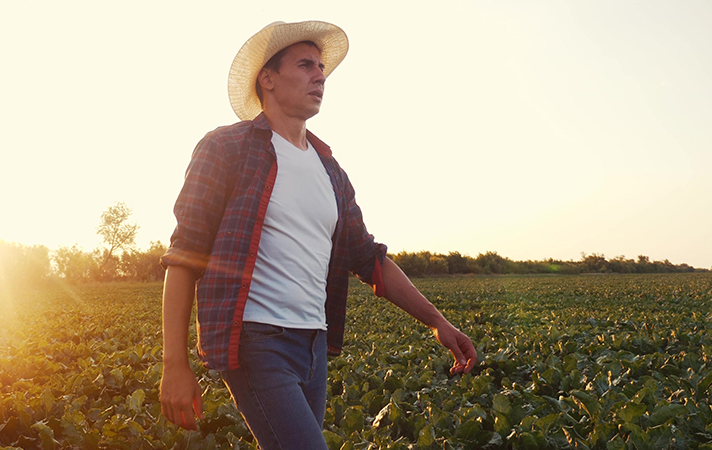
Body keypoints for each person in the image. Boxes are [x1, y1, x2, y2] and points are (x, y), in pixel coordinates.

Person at [159, 20, 477, 449]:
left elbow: (369, 259)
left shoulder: (331, 171)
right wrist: (174, 363)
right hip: (257, 341)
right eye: (306, 65)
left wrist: (438, 322)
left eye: (322, 67)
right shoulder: (227, 148)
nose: (320, 76)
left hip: (315, 345)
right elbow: (185, 256)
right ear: (267, 79)